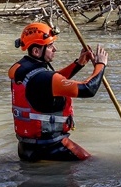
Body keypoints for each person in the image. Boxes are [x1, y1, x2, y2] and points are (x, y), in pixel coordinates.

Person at [8, 22, 108, 161]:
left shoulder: (19, 69)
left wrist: (78, 64)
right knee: (92, 163)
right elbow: (88, 89)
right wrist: (100, 65)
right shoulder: (46, 78)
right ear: (36, 51)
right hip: (53, 147)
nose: (54, 49)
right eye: (49, 46)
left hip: (25, 148)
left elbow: (52, 83)